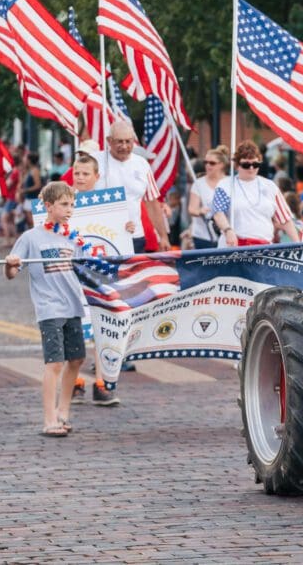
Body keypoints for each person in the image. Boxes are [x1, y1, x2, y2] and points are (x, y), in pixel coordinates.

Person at [5, 181, 89, 437]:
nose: (69, 209)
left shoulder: (73, 238)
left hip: (72, 305)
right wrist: (10, 263)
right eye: (64, 204)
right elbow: (11, 273)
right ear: (48, 206)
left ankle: (63, 412)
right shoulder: (31, 237)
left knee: (76, 359)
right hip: (49, 308)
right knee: (55, 363)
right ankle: (49, 419)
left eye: (72, 205)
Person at [69, 152, 121, 406]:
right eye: (77, 173)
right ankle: (75, 381)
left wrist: (127, 227)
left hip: (98, 273)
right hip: (72, 273)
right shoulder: (66, 201)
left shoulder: (108, 205)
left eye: (85, 173)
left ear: (96, 176)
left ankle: (102, 383)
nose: (80, 177)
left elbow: (118, 235)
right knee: (76, 328)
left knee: (101, 327)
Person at [97, 120, 170, 253]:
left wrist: (163, 236)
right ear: (109, 141)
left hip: (135, 237)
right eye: (119, 141)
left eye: (128, 141)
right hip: (102, 237)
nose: (124, 146)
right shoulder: (94, 161)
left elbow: (152, 204)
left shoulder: (142, 164)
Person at [211, 140, 299, 246]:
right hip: (233, 247)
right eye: (246, 165)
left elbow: (285, 219)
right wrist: (228, 230)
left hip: (263, 249)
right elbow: (218, 213)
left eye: (255, 164)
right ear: (237, 165)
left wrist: (298, 244)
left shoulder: (270, 186)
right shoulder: (225, 186)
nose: (251, 168)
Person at [188, 145, 229, 249]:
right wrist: (200, 211)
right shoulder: (198, 184)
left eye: (212, 163)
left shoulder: (230, 183)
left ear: (222, 165)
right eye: (205, 162)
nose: (208, 166)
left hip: (226, 235)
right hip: (203, 236)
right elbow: (192, 209)